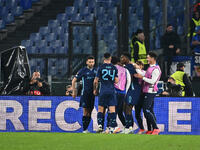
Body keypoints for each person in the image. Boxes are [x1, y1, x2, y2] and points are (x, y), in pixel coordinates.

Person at [135, 51, 162, 135]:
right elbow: (144, 74)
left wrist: (142, 77)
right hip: (146, 91)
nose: (147, 59)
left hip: (151, 91)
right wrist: (136, 67)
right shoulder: (150, 68)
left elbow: (153, 81)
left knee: (146, 110)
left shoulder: (156, 69)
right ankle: (150, 129)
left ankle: (156, 128)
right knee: (149, 110)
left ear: (153, 58)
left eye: (148, 57)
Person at [93, 52, 119, 133]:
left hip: (103, 90)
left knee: (101, 109)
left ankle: (100, 126)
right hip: (111, 90)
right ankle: (112, 127)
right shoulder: (114, 68)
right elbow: (116, 80)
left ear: (103, 58)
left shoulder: (100, 67)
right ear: (110, 58)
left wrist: (95, 89)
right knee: (112, 109)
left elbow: (95, 81)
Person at [104, 56, 131, 133]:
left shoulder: (111, 68)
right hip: (122, 92)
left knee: (111, 110)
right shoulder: (125, 70)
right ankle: (125, 127)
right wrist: (125, 91)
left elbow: (109, 80)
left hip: (114, 91)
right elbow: (128, 81)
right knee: (118, 110)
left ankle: (110, 127)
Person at [71, 56, 97, 133]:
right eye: (90, 62)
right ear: (86, 62)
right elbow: (73, 81)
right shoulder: (83, 70)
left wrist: (96, 90)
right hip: (85, 93)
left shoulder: (96, 70)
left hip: (92, 94)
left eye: (92, 62)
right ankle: (84, 129)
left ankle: (86, 129)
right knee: (85, 111)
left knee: (90, 111)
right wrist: (74, 91)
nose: (91, 63)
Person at [120, 52, 141, 134]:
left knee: (128, 107)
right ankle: (128, 126)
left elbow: (131, 78)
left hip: (133, 89)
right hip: (128, 89)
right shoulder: (126, 66)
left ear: (127, 58)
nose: (121, 59)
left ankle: (129, 127)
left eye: (123, 57)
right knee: (124, 107)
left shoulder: (130, 67)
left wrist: (127, 88)